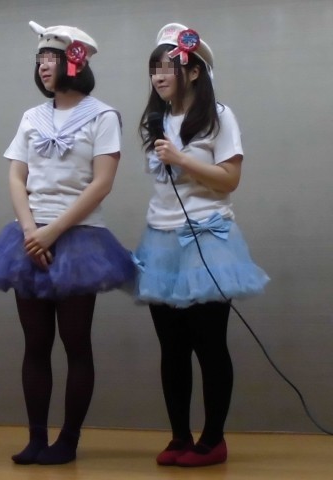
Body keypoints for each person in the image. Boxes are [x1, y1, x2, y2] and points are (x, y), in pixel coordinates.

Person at [0, 21, 135, 465]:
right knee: (35, 343)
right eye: (40, 58)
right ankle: (36, 438)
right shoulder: (32, 117)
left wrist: (53, 231)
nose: (44, 65)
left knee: (76, 343)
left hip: (79, 239)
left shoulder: (103, 116)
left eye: (52, 58)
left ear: (75, 62)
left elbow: (101, 184)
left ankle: (69, 440)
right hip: (29, 237)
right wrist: (30, 231)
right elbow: (16, 175)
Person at [134, 23, 269, 467]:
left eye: (167, 67)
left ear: (193, 72)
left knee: (208, 344)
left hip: (208, 239)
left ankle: (213, 440)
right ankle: (179, 437)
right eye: (154, 68)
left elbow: (230, 180)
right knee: (171, 347)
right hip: (161, 241)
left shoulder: (219, 116)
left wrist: (181, 159)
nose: (158, 76)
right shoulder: (156, 121)